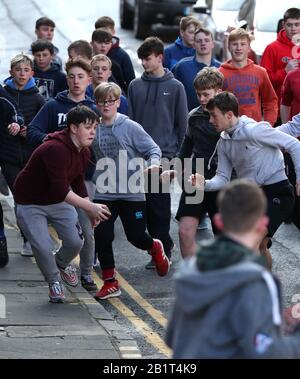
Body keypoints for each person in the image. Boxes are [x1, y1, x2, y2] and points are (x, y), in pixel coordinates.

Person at [166, 179, 300, 359]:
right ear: (262, 224)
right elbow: (265, 352)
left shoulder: (189, 268)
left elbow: (172, 338)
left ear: (219, 221)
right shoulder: (259, 280)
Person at [190, 92, 300, 269]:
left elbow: (295, 145)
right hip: (253, 197)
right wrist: (205, 184)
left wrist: (299, 178)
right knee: (260, 245)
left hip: (278, 192)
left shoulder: (255, 130)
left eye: (213, 115)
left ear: (229, 115)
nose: (210, 120)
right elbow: (223, 178)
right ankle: (266, 288)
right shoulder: (224, 142)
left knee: (252, 242)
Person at [14, 105, 111, 303]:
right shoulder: (55, 149)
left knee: (76, 241)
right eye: (88, 127)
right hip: (30, 202)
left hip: (57, 200)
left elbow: (76, 180)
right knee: (41, 245)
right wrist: (90, 207)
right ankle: (54, 282)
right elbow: (61, 188)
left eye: (94, 127)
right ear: (74, 128)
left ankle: (61, 262)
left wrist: (88, 206)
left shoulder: (83, 151)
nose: (93, 132)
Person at [92, 82, 170, 300]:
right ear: (96, 103)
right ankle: (110, 282)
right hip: (104, 191)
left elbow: (153, 148)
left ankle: (154, 246)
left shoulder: (130, 127)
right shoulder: (94, 127)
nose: (106, 105)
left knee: (135, 237)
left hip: (131, 190)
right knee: (103, 235)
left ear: (118, 102)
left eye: (110, 101)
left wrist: (154, 163)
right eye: (101, 101)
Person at [27, 58, 100, 291]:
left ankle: (87, 273)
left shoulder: (94, 108)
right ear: (66, 78)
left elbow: (102, 141)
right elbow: (33, 131)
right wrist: (52, 142)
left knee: (87, 228)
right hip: (55, 180)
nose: (76, 81)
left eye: (81, 77)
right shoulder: (53, 106)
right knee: (63, 234)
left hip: (81, 177)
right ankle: (56, 272)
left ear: (89, 80)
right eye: (72, 76)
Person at [128, 36, 188, 268]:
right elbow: (131, 122)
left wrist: (177, 160)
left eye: (148, 59)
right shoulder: (135, 86)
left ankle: (163, 248)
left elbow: (182, 126)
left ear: (160, 58)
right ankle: (160, 245)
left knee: (159, 205)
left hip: (164, 156)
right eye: (142, 59)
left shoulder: (175, 87)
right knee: (141, 206)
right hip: (138, 156)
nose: (143, 63)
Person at [162, 67, 223, 258]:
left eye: (206, 94)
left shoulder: (230, 117)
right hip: (195, 180)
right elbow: (186, 148)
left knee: (223, 239)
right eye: (199, 95)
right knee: (185, 232)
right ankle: (193, 279)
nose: (202, 99)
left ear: (218, 92)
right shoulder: (194, 116)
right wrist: (173, 169)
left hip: (223, 183)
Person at [3, 53, 45, 256]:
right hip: (9, 155)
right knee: (19, 195)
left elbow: (43, 126)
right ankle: (27, 239)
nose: (22, 73)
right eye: (18, 70)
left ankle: (36, 236)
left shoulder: (38, 98)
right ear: (11, 72)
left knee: (32, 196)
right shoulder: (3, 95)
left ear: (32, 74)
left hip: (31, 154)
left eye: (26, 70)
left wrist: (28, 130)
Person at [220, 28, 278, 125]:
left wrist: (268, 124)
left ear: (249, 48)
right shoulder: (220, 73)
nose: (239, 48)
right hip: (229, 130)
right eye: (234, 44)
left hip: (254, 130)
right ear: (229, 47)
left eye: (243, 44)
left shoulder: (260, 72)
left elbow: (270, 101)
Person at [260, 8, 300, 123]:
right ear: (283, 25)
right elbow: (264, 82)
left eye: (297, 24)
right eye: (289, 25)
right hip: (278, 112)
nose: (293, 29)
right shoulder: (272, 48)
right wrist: (284, 72)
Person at [0, 84, 23, 268]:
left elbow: (16, 113)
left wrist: (16, 123)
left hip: (6, 155)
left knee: (19, 196)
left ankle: (1, 240)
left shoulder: (3, 96)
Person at [172, 27, 221, 110]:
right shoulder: (181, 67)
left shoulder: (220, 68)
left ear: (213, 44)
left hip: (214, 119)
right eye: (199, 41)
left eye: (206, 40)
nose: (203, 43)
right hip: (187, 118)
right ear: (193, 45)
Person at [94, 16, 135, 87]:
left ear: (113, 32)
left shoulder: (122, 55)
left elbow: (131, 82)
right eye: (100, 31)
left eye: (106, 31)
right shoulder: (90, 53)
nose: (103, 34)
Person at [91, 29, 127, 94]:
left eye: (107, 43)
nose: (103, 46)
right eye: (99, 42)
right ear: (91, 43)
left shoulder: (115, 66)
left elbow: (123, 89)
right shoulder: (84, 64)